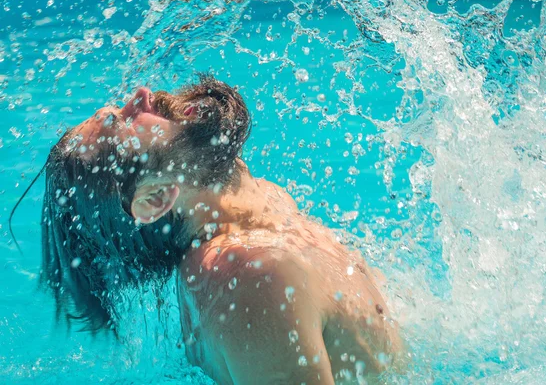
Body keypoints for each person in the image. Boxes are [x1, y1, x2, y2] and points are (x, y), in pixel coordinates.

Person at [40, 75, 405, 384]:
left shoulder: (264, 203)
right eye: (122, 123)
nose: (141, 95)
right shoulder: (252, 278)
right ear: (154, 200)